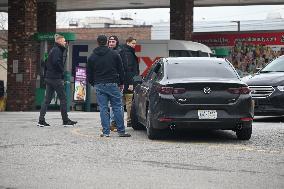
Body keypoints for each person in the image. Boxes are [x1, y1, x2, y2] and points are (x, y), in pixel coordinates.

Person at [87, 35, 131, 137]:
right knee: (117, 107)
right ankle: (121, 131)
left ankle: (106, 132)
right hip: (113, 84)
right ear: (107, 42)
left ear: (97, 42)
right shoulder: (114, 54)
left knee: (103, 108)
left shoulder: (92, 56)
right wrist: (121, 83)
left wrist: (93, 83)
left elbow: (89, 73)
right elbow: (121, 70)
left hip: (99, 84)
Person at [37, 34, 77, 127]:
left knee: (46, 100)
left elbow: (46, 64)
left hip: (49, 78)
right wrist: (62, 71)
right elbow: (56, 62)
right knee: (63, 99)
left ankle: (41, 120)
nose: (65, 42)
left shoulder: (53, 50)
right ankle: (65, 120)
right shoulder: (57, 50)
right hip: (55, 78)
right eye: (64, 41)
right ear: (59, 41)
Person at [107, 35, 127, 132]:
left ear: (116, 42)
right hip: (108, 81)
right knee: (111, 104)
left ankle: (117, 123)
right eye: (110, 41)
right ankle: (112, 123)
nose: (111, 43)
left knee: (118, 104)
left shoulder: (120, 52)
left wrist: (121, 82)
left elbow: (123, 68)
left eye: (113, 41)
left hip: (117, 82)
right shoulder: (106, 52)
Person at [122, 37, 139, 127]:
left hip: (124, 81)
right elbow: (129, 69)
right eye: (133, 43)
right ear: (127, 43)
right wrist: (131, 83)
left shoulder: (125, 51)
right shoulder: (128, 53)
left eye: (135, 43)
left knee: (122, 102)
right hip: (128, 82)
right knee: (129, 101)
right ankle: (129, 120)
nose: (134, 45)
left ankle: (117, 122)